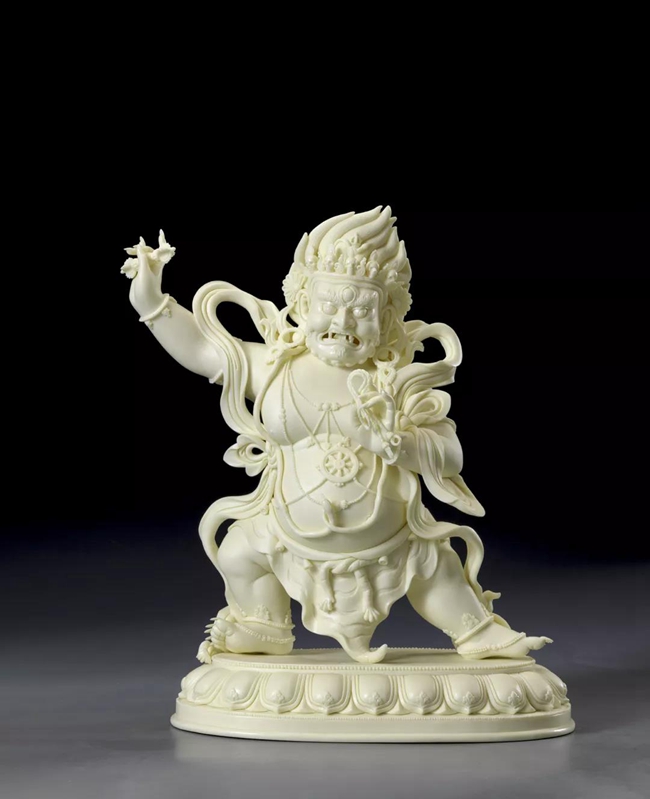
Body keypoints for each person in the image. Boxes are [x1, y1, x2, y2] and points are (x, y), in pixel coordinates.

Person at [123, 207, 551, 664]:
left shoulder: (395, 382)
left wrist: (393, 443)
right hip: (284, 532)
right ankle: (264, 624)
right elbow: (203, 350)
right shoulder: (274, 367)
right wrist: (151, 301)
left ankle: (479, 634)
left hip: (393, 538)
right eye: (328, 306)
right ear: (302, 304)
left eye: (362, 311)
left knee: (436, 570)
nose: (343, 322)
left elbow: (449, 455)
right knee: (239, 553)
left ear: (387, 318)